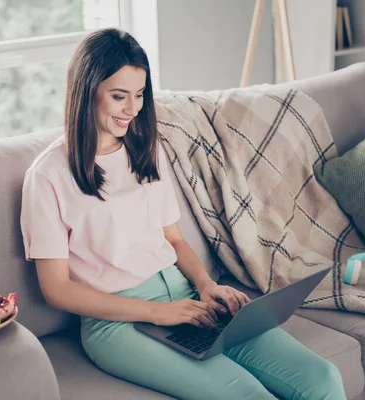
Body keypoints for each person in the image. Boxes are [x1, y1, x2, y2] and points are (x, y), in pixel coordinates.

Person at [21, 27, 347, 400]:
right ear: (86, 93)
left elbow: (173, 239)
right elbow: (56, 290)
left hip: (185, 295)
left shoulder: (145, 150)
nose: (133, 109)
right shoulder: (47, 176)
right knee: (245, 394)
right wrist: (155, 312)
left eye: (140, 94)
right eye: (119, 96)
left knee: (322, 377)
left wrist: (207, 286)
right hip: (116, 323)